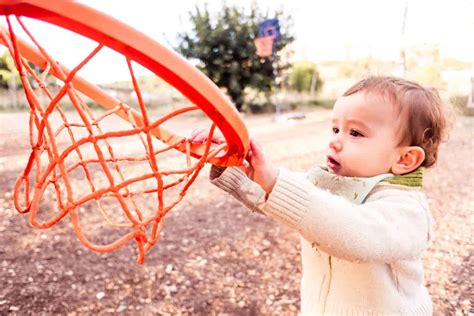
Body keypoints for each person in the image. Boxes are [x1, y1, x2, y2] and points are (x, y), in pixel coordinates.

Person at [190, 76, 448, 315]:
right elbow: (274, 197)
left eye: (355, 133)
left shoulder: (407, 210)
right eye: (335, 129)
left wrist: (275, 181)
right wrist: (234, 165)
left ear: (405, 159)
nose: (334, 142)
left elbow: (355, 234)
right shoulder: (330, 184)